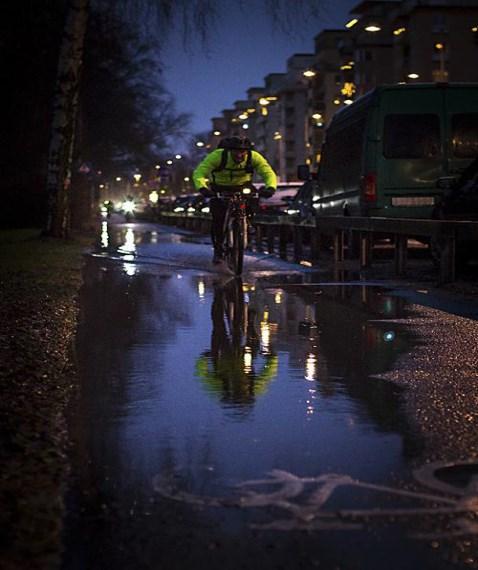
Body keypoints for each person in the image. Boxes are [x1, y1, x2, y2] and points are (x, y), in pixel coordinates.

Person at [192, 136, 277, 264]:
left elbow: (268, 173)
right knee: (218, 219)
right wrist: (203, 189)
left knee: (254, 199)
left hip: (243, 186)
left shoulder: (253, 157)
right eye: (236, 151)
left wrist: (270, 187)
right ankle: (218, 249)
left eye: (243, 152)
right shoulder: (217, 156)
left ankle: (248, 221)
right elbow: (199, 173)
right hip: (220, 187)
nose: (240, 155)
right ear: (229, 151)